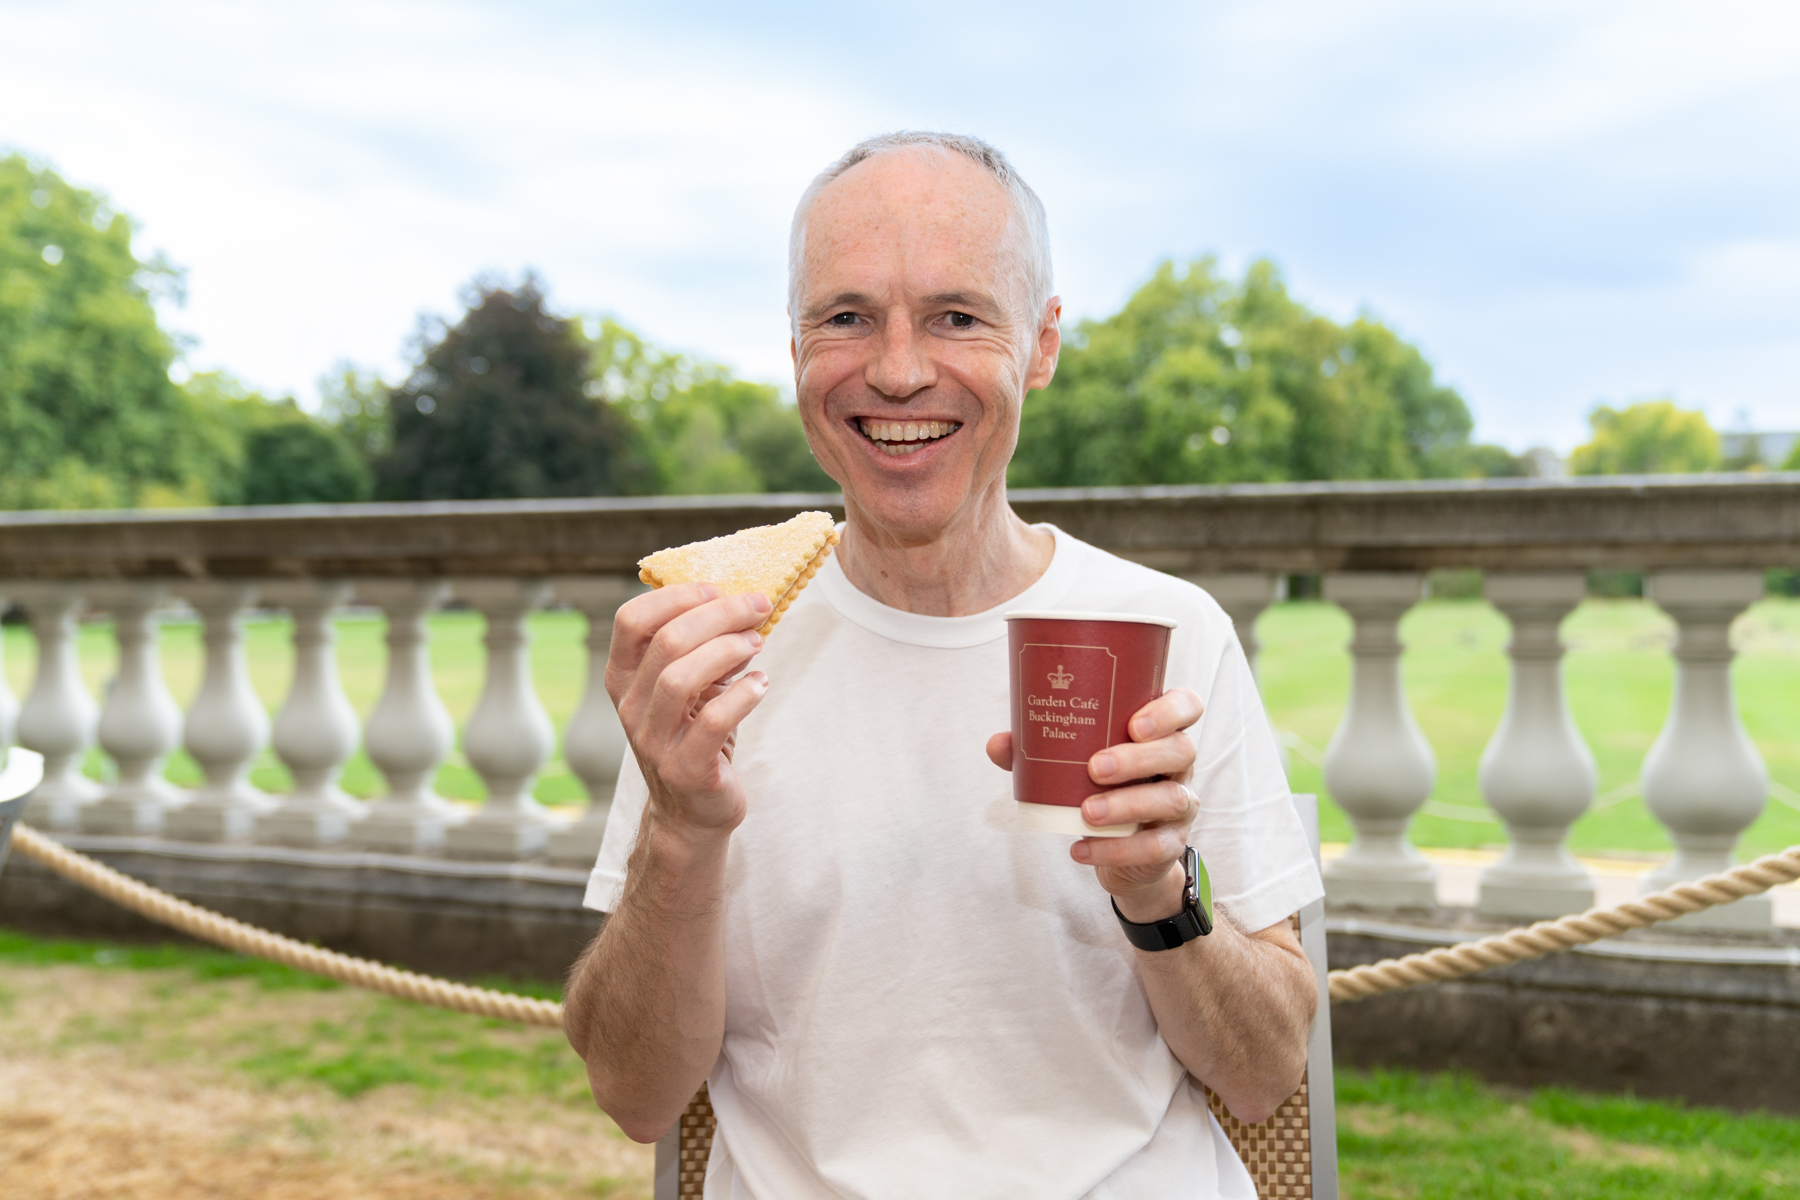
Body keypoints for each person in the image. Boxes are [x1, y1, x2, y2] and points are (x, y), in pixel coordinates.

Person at [563, 131, 1324, 1199]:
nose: (900, 368)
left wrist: (1160, 893)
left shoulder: (1162, 633)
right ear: (793, 350)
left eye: (957, 316)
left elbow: (1262, 1074)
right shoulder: (719, 645)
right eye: (846, 317)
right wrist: (681, 831)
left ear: (1044, 345)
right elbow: (635, 1093)